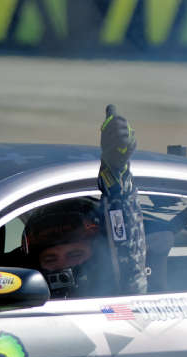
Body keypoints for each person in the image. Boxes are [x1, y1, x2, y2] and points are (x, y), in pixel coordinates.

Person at [21, 105, 148, 299]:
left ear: (97, 255)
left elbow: (125, 244)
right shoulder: (17, 303)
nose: (63, 266)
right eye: (50, 259)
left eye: (75, 255)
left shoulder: (122, 296)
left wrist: (116, 169)